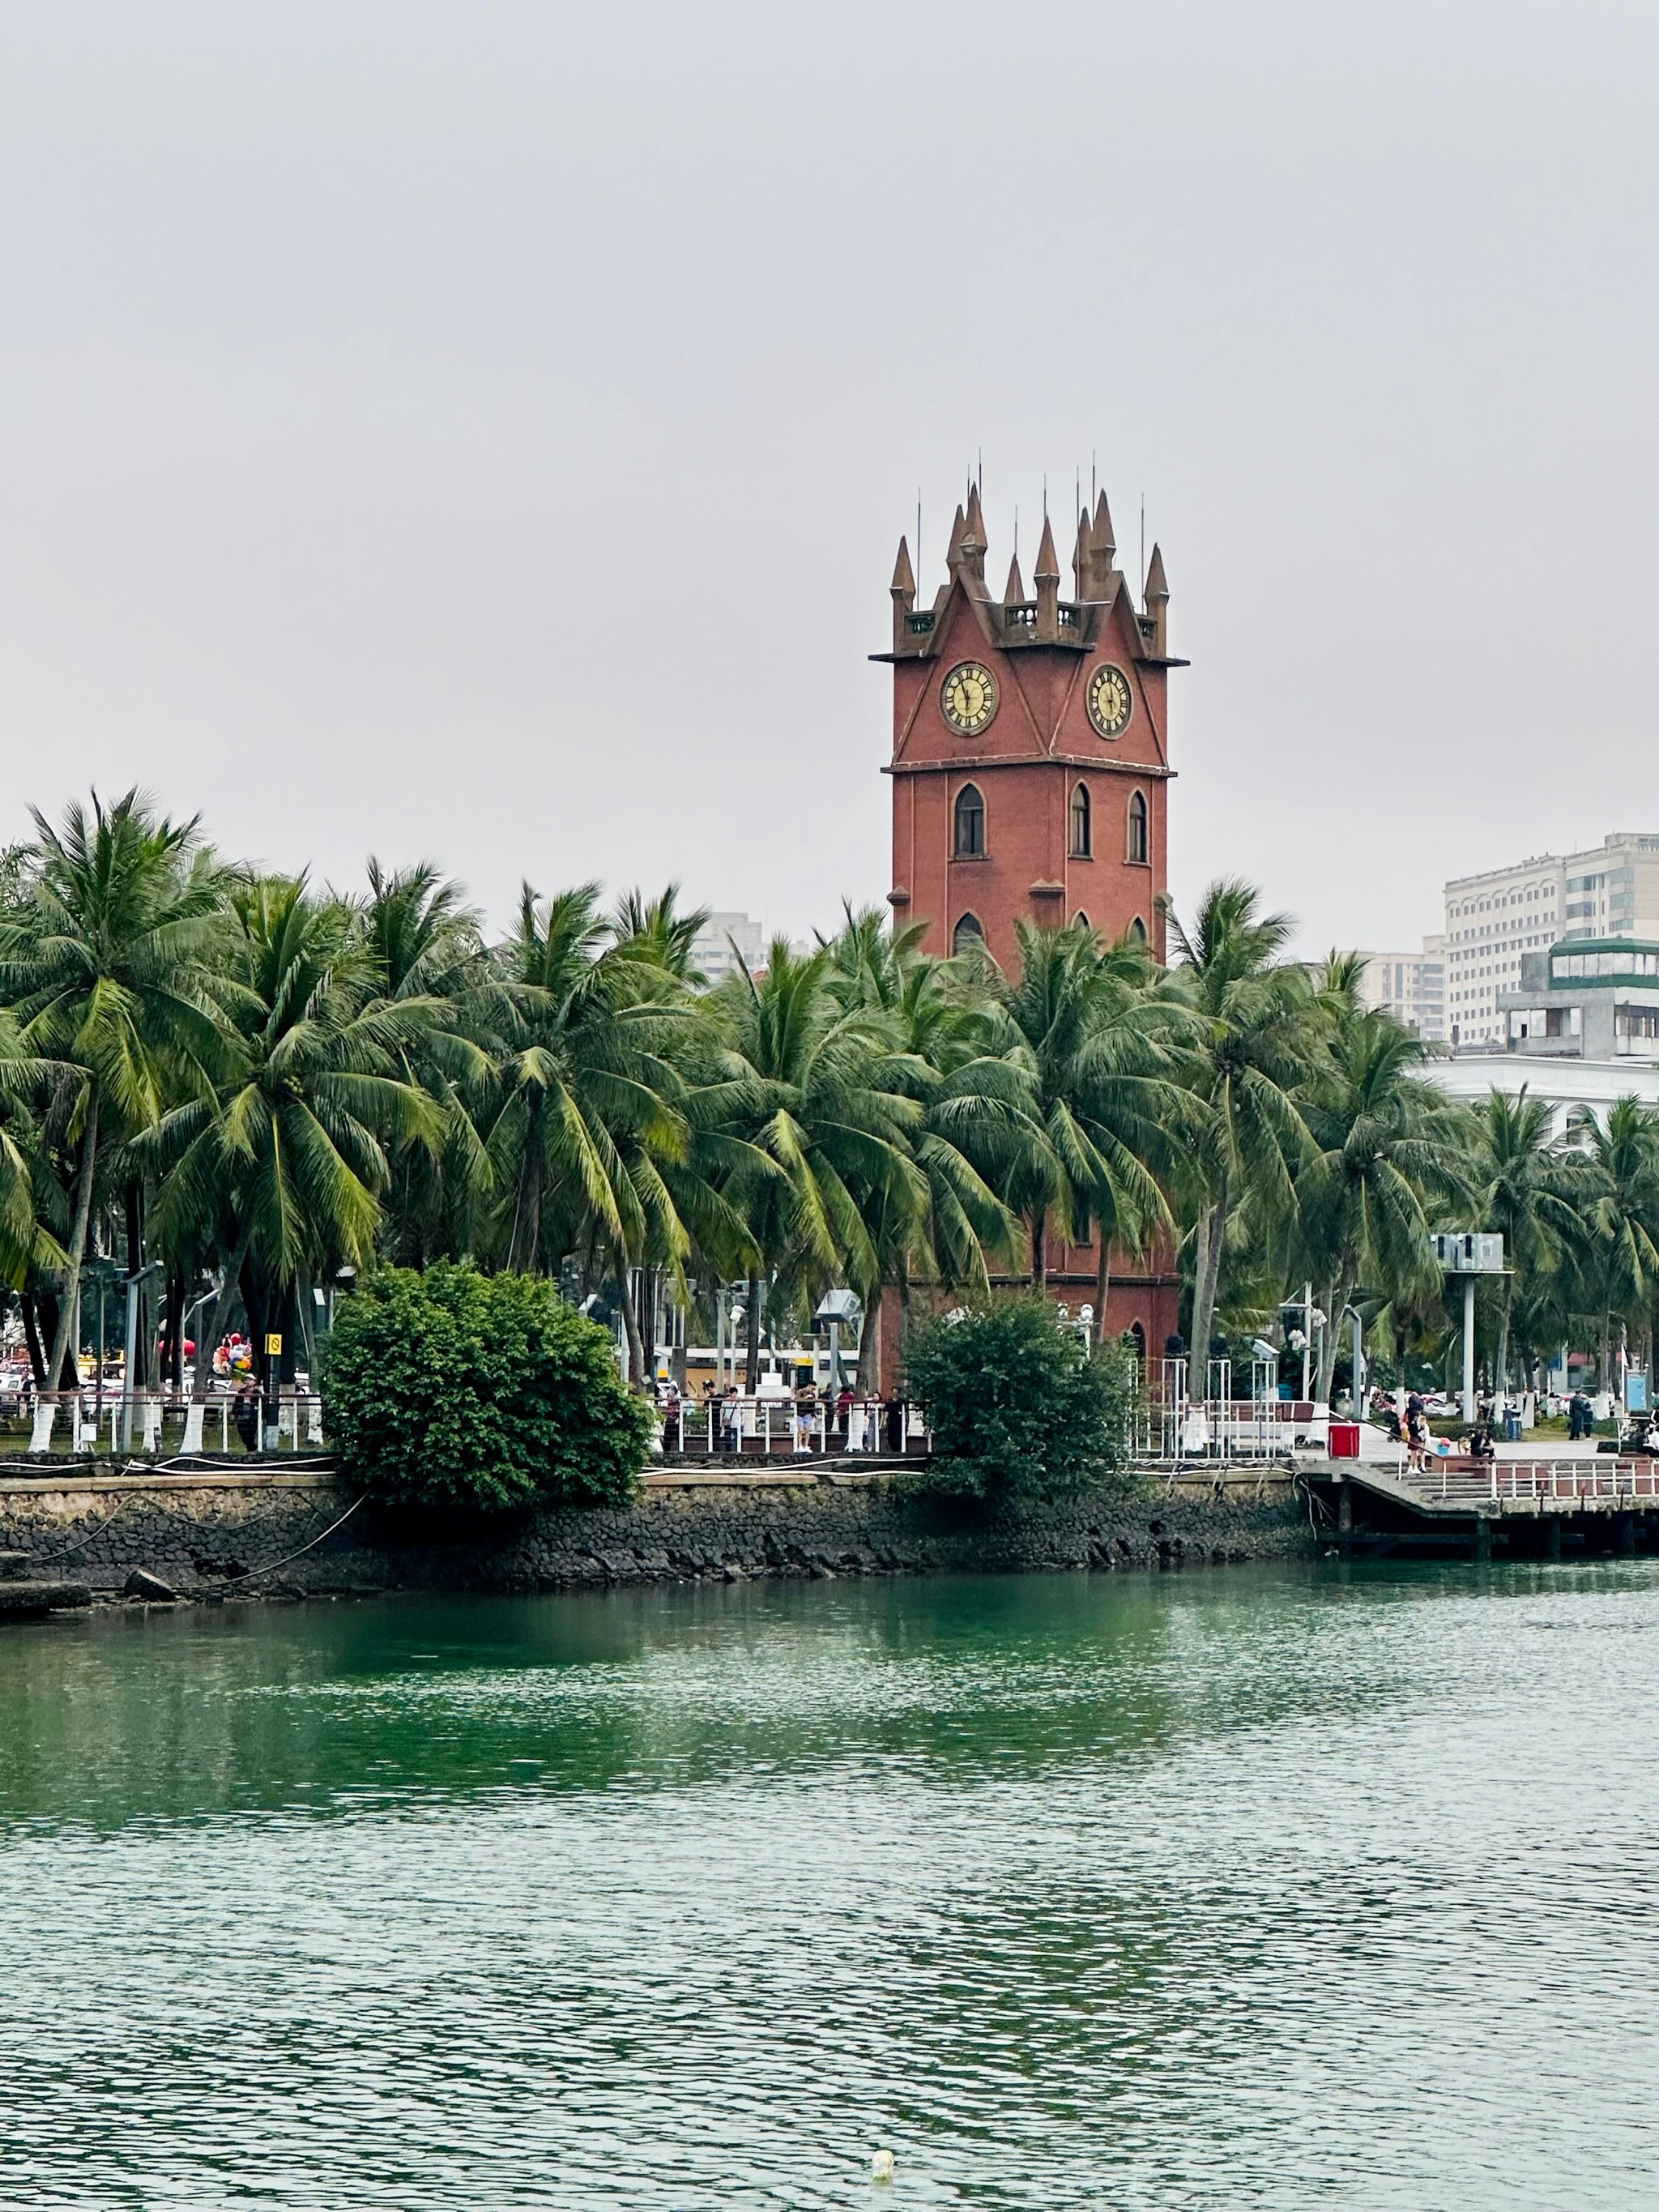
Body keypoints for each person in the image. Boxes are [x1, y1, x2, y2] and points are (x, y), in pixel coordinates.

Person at [232, 1381, 259, 1454]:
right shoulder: (241, 1392)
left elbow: (261, 1402)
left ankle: (251, 1450)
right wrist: (234, 1413)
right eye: (249, 1386)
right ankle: (252, 1448)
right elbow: (236, 1403)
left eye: (253, 1386)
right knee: (242, 1433)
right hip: (241, 1416)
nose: (251, 1388)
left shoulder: (257, 1393)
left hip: (252, 1417)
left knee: (251, 1434)